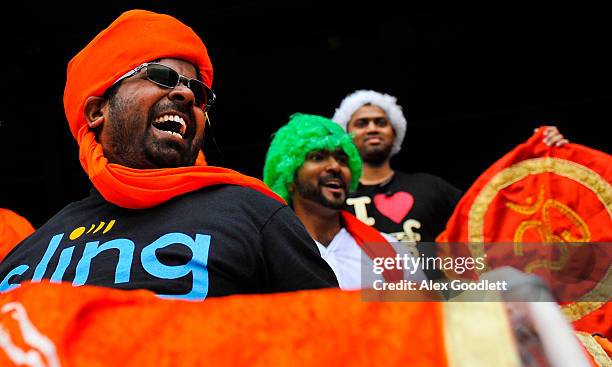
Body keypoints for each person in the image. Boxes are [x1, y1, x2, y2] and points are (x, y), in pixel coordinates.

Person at [0, 10, 338, 300]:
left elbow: (347, 344)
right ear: (95, 112)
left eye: (199, 91)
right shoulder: (31, 247)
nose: (186, 95)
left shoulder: (257, 215)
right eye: (160, 76)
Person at [332, 90, 568, 244]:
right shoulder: (332, 196)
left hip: (430, 305)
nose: (372, 128)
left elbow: (489, 218)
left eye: (381, 122)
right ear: (346, 136)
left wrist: (542, 156)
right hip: (359, 307)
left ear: (394, 133)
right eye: (362, 123)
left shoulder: (430, 187)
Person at [263, 113, 421, 289]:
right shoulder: (266, 252)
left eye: (342, 159)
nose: (335, 167)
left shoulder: (391, 251)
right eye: (317, 157)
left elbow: (425, 312)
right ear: (288, 177)